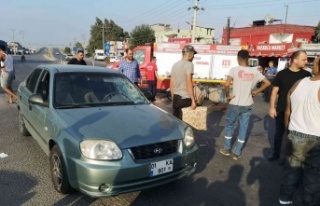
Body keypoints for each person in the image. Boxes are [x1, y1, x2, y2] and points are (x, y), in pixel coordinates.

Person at [279, 56, 320, 206]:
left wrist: (287, 131)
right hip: (316, 139)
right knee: (312, 180)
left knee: (290, 174)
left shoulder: (298, 83)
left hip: (294, 134)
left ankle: (284, 202)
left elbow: (287, 112)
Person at [219, 50, 270, 160]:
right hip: (248, 104)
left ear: (238, 59)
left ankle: (227, 149)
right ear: (248, 59)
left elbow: (226, 85)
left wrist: (228, 95)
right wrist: (257, 91)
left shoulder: (234, 70)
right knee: (243, 128)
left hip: (235, 103)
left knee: (229, 126)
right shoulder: (254, 72)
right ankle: (237, 153)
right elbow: (268, 83)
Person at [268, 50, 312, 162]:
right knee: (279, 134)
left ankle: (290, 158)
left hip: (299, 112)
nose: (306, 62)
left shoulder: (306, 75)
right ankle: (276, 154)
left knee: (292, 136)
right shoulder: (282, 74)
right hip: (282, 110)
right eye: (304, 59)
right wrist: (272, 108)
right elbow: (274, 91)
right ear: (295, 60)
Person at [170, 45, 197, 120]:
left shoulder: (175, 65)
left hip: (176, 98)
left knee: (176, 123)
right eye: (193, 55)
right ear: (190, 54)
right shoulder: (189, 64)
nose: (193, 57)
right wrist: (193, 100)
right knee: (186, 125)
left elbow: (171, 84)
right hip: (185, 98)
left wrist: (173, 98)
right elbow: (189, 82)